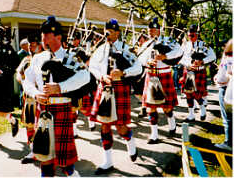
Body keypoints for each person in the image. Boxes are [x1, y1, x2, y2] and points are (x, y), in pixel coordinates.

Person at [23, 16, 91, 177]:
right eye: (42, 34)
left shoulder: (70, 58)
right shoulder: (37, 59)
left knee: (66, 162)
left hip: (62, 108)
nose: (43, 38)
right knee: (45, 158)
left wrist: (60, 87)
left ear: (58, 37)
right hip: (43, 109)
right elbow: (27, 82)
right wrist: (35, 93)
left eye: (47, 34)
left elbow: (85, 77)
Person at [89, 19, 142, 175]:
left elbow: (138, 67)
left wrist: (124, 73)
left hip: (120, 87)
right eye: (106, 31)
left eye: (110, 31)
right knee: (104, 125)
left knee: (120, 127)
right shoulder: (100, 49)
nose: (107, 34)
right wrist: (101, 76)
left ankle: (130, 140)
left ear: (117, 33)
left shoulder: (125, 49)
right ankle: (108, 161)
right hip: (104, 87)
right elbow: (92, 66)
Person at [140, 17, 182, 144]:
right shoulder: (145, 44)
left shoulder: (168, 41)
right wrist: (147, 61)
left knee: (167, 108)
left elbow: (179, 51)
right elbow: (139, 59)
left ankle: (172, 124)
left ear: (159, 30)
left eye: (153, 30)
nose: (151, 32)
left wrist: (165, 56)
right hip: (151, 75)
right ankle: (154, 135)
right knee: (150, 107)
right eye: (149, 30)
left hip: (164, 75)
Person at [16, 33, 43, 164]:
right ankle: (33, 151)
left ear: (41, 44)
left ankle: (47, 150)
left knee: (44, 125)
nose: (31, 47)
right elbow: (18, 75)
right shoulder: (27, 59)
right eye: (30, 45)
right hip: (30, 99)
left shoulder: (46, 58)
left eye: (34, 45)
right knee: (30, 125)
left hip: (44, 98)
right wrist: (25, 83)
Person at [180, 24, 216, 122]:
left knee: (197, 94)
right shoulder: (185, 45)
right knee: (188, 93)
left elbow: (213, 57)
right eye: (189, 35)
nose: (190, 37)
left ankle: (202, 109)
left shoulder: (203, 44)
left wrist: (203, 61)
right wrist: (188, 64)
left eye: (193, 35)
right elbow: (180, 58)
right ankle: (191, 115)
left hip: (199, 71)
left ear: (196, 35)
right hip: (188, 70)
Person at [214, 39, 232, 151]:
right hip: (227, 86)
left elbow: (224, 76)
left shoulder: (228, 58)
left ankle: (229, 142)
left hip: (226, 88)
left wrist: (217, 79)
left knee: (227, 117)